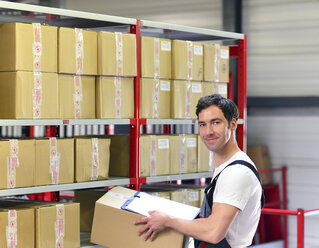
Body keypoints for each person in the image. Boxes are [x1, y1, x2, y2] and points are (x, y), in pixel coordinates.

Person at [134, 94, 264, 248]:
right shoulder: (227, 167)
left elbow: (214, 232)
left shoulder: (236, 173)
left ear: (233, 124)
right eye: (203, 124)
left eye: (216, 122)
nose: (208, 131)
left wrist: (168, 221)